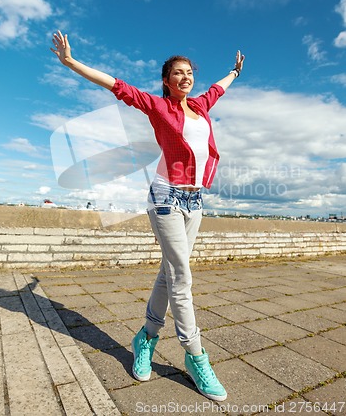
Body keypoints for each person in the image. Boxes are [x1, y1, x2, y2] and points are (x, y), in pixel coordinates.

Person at [51, 31, 245, 401]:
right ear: (166, 80)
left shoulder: (202, 106)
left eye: (189, 72)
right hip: (165, 197)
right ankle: (195, 356)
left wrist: (234, 73)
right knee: (182, 277)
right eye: (178, 73)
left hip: (195, 201)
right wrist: (70, 62)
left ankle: (146, 338)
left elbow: (219, 88)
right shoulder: (158, 107)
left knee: (169, 272)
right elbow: (116, 85)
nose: (186, 77)